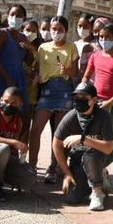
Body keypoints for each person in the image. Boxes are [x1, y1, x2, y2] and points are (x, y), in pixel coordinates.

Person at [82, 22, 113, 197]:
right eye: (101, 37)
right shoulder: (95, 56)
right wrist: (87, 96)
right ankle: (98, 170)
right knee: (96, 138)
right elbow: (86, 78)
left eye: (108, 37)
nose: (104, 40)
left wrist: (111, 102)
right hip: (97, 103)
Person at [27, 16, 79, 182]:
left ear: (66, 30)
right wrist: (35, 76)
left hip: (64, 90)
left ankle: (53, 168)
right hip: (47, 90)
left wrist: (67, 70)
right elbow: (36, 68)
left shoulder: (71, 47)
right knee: (35, 130)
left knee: (59, 133)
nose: (56, 33)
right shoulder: (43, 47)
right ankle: (32, 166)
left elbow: (75, 72)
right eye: (53, 29)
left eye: (60, 30)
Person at [53, 82, 113, 211]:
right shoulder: (71, 116)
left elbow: (109, 147)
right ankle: (100, 178)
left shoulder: (104, 116)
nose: (79, 101)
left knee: (91, 154)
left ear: (94, 100)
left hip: (99, 157)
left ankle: (97, 191)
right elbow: (56, 144)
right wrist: (67, 173)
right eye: (76, 97)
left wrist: (83, 139)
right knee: (71, 198)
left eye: (83, 98)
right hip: (77, 161)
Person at [0, 86, 37, 201]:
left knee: (30, 178)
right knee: (3, 148)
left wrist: (18, 166)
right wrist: (14, 142)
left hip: (5, 157)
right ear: (1, 99)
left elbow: (13, 149)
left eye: (14, 103)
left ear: (20, 104)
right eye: (6, 101)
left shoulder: (19, 120)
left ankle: (1, 176)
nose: (8, 105)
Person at [0, 5, 29, 118]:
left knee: (18, 114)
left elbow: (27, 60)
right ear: (7, 17)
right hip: (1, 77)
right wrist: (7, 78)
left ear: (24, 19)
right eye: (12, 15)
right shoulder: (2, 33)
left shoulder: (23, 37)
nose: (14, 18)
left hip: (18, 78)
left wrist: (29, 49)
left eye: (18, 16)